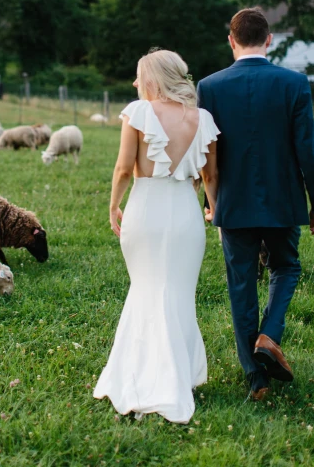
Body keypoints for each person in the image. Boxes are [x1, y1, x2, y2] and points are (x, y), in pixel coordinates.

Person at [197, 8, 314, 401]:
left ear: (231, 41)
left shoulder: (210, 86)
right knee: (286, 267)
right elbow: (308, 148)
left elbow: (209, 155)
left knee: (241, 284)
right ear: (269, 39)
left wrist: (212, 202)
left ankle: (257, 378)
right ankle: (269, 335)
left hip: (233, 205)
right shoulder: (294, 82)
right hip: (283, 200)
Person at [93, 49, 220, 424]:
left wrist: (114, 205)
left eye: (138, 76)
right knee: (178, 293)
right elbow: (210, 177)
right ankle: (178, 375)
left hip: (144, 210)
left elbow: (122, 169)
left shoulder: (139, 112)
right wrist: (214, 210)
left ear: (152, 79)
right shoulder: (204, 119)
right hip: (185, 214)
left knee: (147, 289)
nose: (135, 84)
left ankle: (143, 376)